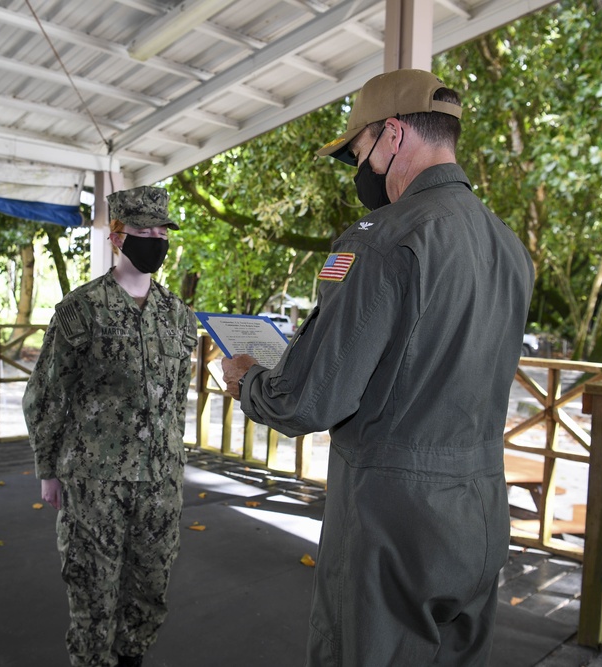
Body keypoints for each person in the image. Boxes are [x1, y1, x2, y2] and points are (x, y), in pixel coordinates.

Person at [222, 69, 535, 666]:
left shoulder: (382, 239)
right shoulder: (506, 245)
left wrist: (247, 381)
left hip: (393, 520)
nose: (359, 171)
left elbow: (306, 400)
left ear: (393, 135)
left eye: (358, 152)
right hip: (481, 511)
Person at [22, 185, 197, 667]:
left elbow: (176, 400)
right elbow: (47, 394)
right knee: (93, 599)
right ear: (118, 237)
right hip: (95, 482)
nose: (155, 239)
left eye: (162, 230)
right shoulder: (82, 309)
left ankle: (132, 659)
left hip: (160, 486)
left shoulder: (179, 317)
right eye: (143, 231)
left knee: (149, 594)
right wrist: (49, 469)